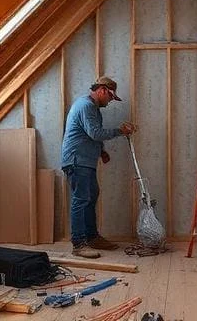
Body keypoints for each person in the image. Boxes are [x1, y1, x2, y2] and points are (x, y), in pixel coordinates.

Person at [61, 76, 136, 258]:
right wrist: (120, 131)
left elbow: (90, 133)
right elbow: (94, 133)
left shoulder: (93, 109)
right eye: (110, 97)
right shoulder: (86, 106)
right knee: (81, 199)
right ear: (102, 90)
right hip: (77, 160)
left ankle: (92, 237)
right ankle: (79, 244)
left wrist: (101, 151)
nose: (110, 102)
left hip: (85, 160)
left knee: (90, 196)